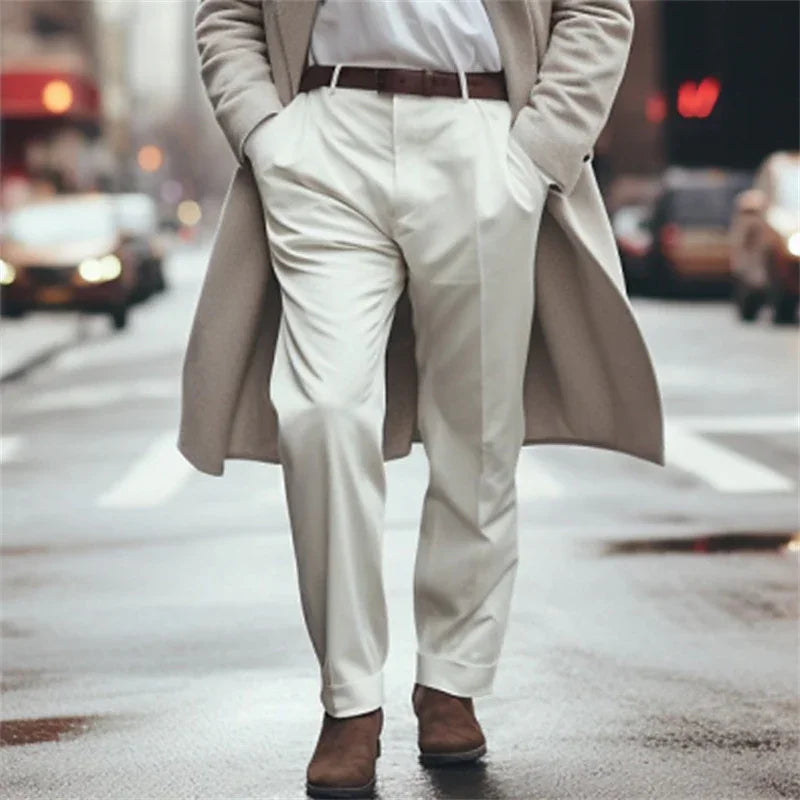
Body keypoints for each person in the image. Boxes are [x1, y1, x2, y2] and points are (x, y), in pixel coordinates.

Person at [181, 1, 664, 797]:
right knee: (322, 412)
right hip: (323, 133)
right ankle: (349, 702)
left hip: (484, 134)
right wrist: (263, 131)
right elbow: (229, 13)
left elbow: (596, 11)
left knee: (478, 428)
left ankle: (452, 678)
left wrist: (537, 151)